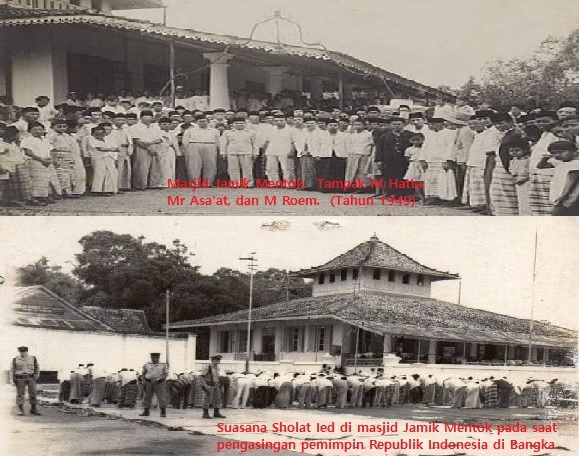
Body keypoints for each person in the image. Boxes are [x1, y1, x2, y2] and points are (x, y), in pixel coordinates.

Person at [539, 140, 579, 215]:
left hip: (570, 197)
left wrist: (563, 197)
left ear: (574, 152)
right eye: (554, 153)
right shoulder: (560, 163)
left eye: (561, 152)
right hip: (561, 196)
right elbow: (540, 166)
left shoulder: (576, 164)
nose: (557, 155)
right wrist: (545, 158)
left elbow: (572, 182)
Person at [129, 110, 163, 190]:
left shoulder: (155, 127)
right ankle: (140, 185)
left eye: (149, 117)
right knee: (141, 167)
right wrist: (147, 147)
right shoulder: (135, 127)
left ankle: (154, 184)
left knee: (155, 167)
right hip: (142, 147)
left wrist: (151, 144)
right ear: (141, 118)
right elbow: (136, 140)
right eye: (145, 117)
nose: (148, 119)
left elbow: (160, 139)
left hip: (154, 146)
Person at [220, 116, 257, 186]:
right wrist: (223, 153)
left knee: (247, 168)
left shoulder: (251, 132)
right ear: (233, 124)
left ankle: (248, 183)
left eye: (241, 123)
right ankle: (235, 183)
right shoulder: (227, 132)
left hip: (246, 151)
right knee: (232, 169)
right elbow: (223, 143)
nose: (239, 125)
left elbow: (255, 143)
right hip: (232, 152)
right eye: (237, 123)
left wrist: (255, 153)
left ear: (245, 124)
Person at [11, 346, 41, 416]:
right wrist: (13, 378)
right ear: (19, 352)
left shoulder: (33, 358)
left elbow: (37, 367)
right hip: (20, 378)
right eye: (21, 352)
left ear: (27, 351)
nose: (22, 353)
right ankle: (21, 410)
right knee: (20, 394)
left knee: (33, 393)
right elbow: (12, 369)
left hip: (30, 377)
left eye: (24, 352)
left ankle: (33, 409)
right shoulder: (15, 359)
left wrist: (37, 374)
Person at [507, 140, 532, 215]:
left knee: (527, 200)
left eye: (517, 150)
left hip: (527, 183)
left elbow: (530, 172)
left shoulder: (528, 160)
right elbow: (512, 171)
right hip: (518, 183)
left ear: (525, 150)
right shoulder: (512, 161)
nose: (514, 153)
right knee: (521, 200)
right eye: (511, 151)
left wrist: (525, 179)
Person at [140, 352, 168, 417]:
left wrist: (158, 379)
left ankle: (163, 412)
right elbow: (143, 373)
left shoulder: (163, 365)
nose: (154, 359)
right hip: (149, 382)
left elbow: (165, 374)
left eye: (155, 358)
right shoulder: (147, 364)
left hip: (159, 382)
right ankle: (146, 411)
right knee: (147, 397)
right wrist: (143, 381)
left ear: (158, 357)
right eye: (152, 357)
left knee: (161, 397)